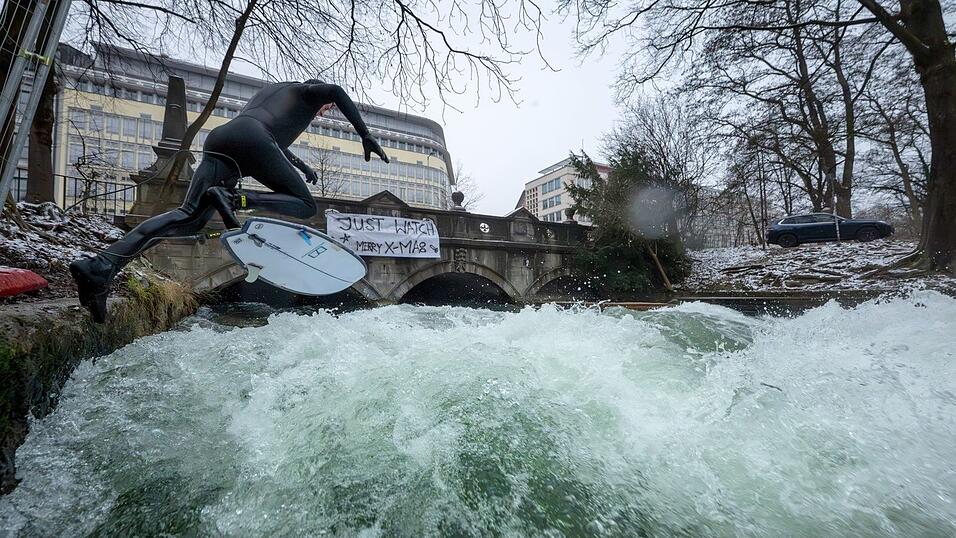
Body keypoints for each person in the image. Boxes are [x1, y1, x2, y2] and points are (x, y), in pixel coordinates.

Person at [69, 80, 389, 323]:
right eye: (327, 108)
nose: (326, 110)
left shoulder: (274, 93)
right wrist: (364, 134)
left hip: (223, 140)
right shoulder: (309, 92)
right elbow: (335, 90)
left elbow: (270, 138)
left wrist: (302, 166)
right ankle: (236, 197)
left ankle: (101, 267)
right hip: (252, 142)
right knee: (305, 206)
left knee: (188, 217)